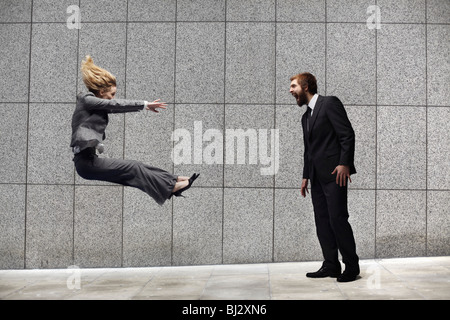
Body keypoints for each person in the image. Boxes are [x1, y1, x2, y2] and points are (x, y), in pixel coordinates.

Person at [71, 55, 198, 205]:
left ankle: (173, 180)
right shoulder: (87, 100)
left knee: (137, 166)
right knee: (133, 167)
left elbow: (116, 107)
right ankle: (170, 187)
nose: (113, 98)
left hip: (89, 161)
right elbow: (116, 105)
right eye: (111, 94)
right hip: (85, 164)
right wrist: (145, 104)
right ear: (101, 92)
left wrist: (141, 107)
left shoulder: (94, 105)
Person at [289, 72, 360, 282]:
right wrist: (305, 176)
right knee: (322, 221)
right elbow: (308, 150)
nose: (291, 90)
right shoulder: (306, 117)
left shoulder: (329, 103)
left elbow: (346, 134)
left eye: (294, 86)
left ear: (306, 86)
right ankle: (331, 264)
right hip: (316, 177)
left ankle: (351, 266)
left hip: (335, 174)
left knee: (338, 219)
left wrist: (344, 163)